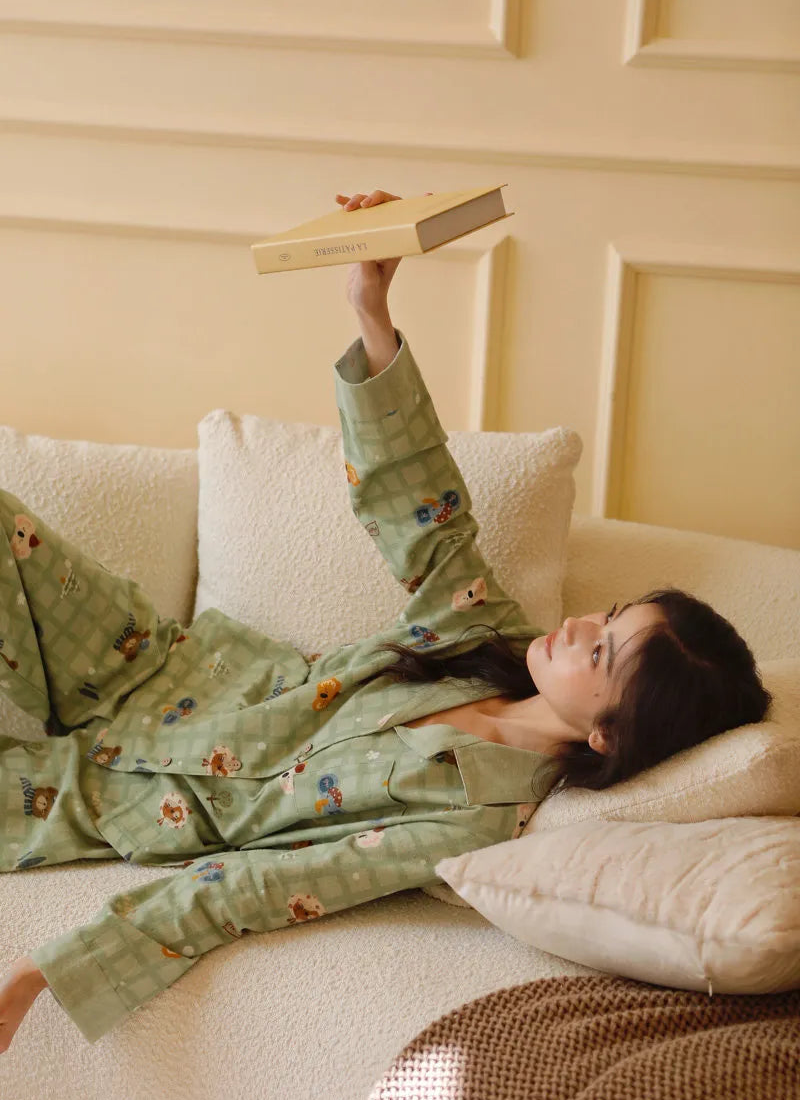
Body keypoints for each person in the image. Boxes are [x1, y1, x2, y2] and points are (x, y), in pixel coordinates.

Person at [0, 188, 771, 1054]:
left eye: (606, 651)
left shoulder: (475, 818)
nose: (583, 624)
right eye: (611, 614)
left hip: (139, 799)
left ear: (610, 734)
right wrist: (372, 308)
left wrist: (45, 973)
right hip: (151, 668)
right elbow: (425, 512)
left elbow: (263, 883)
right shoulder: (489, 637)